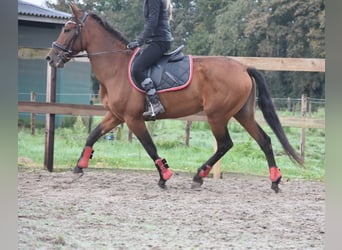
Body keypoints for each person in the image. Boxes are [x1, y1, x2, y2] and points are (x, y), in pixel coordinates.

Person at [127, 0, 173, 120]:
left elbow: (152, 22)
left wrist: (139, 41)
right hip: (157, 40)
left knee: (137, 68)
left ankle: (156, 104)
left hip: (160, 41)